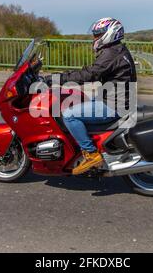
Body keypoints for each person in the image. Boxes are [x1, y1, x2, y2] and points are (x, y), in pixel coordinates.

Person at [44, 17, 137, 175]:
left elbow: (88, 74)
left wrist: (55, 79)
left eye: (97, 34)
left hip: (114, 105)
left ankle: (91, 154)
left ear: (110, 33)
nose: (94, 38)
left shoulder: (111, 53)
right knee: (81, 102)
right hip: (117, 100)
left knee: (69, 115)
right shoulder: (117, 50)